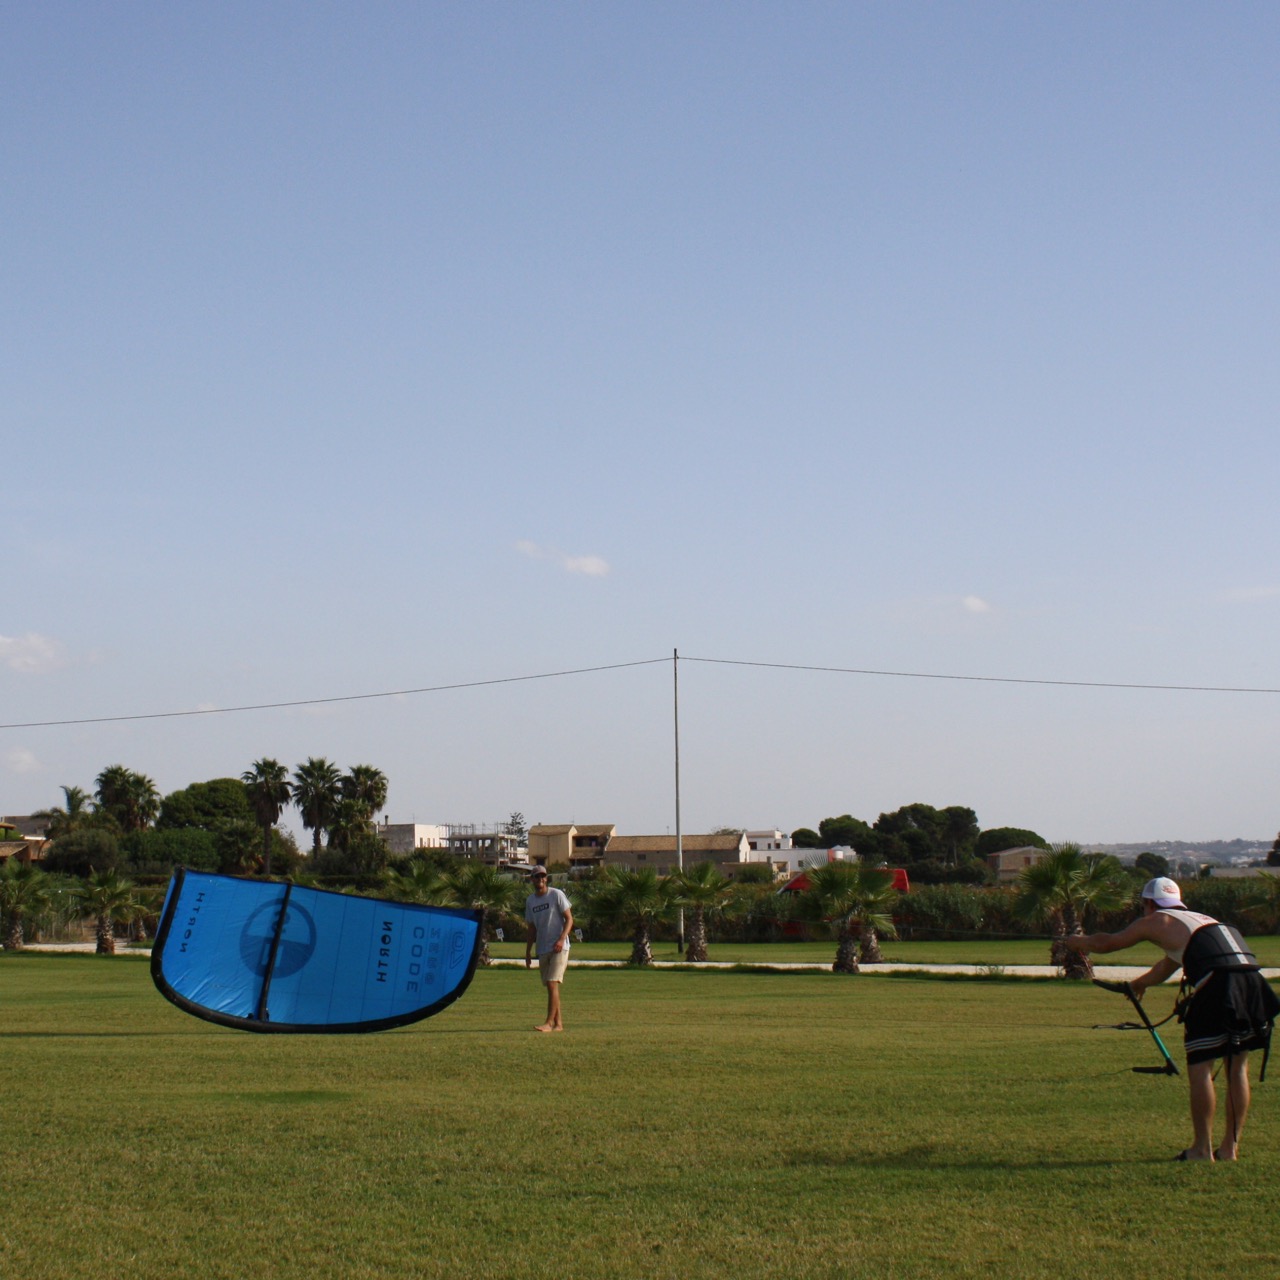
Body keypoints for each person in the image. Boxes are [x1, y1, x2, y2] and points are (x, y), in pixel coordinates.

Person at [1066, 876, 1279, 1162]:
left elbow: (1109, 943)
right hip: (1252, 983)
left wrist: (1078, 942)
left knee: (1201, 1068)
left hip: (1218, 986)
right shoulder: (1201, 921)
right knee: (1237, 1067)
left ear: (1148, 903)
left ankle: (1202, 1149)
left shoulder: (1157, 920)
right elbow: (1169, 963)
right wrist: (1140, 983)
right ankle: (1229, 1149)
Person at [524, 867, 573, 1033]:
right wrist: (528, 952)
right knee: (551, 987)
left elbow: (569, 919)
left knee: (552, 983)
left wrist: (561, 939)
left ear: (546, 878)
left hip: (559, 947)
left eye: (543, 876)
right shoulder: (530, 901)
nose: (540, 879)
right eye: (537, 876)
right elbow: (531, 928)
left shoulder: (556, 895)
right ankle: (559, 1024)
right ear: (532, 879)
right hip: (543, 947)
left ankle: (548, 1023)